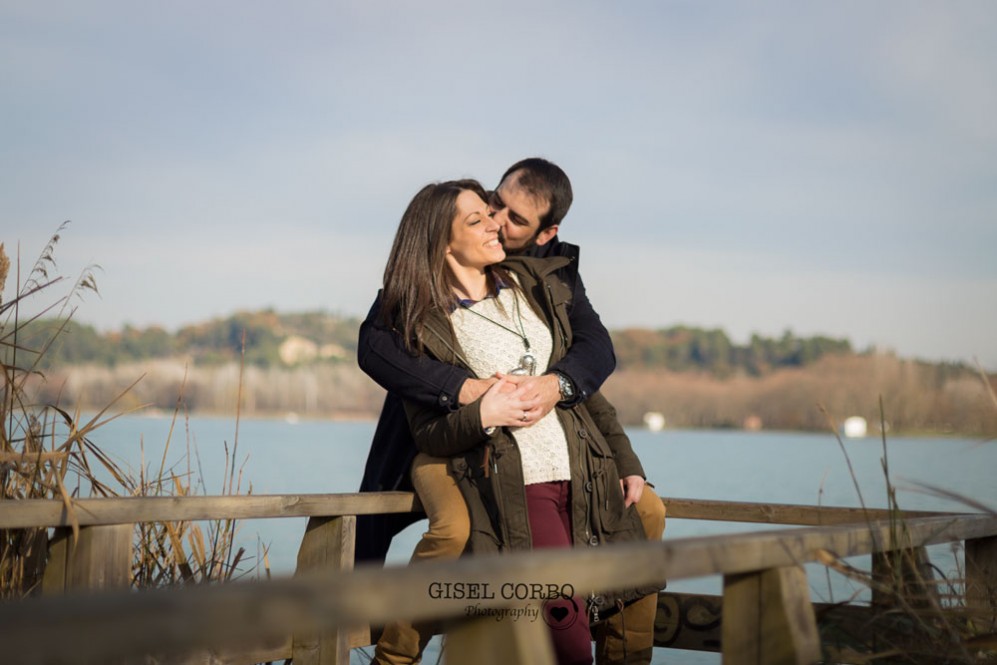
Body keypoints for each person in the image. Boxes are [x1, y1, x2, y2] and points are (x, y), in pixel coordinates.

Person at [357, 160, 666, 664]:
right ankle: (396, 655)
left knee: (642, 512)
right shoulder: (418, 307)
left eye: (511, 219)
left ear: (547, 232)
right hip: (448, 442)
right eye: (489, 208)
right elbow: (375, 347)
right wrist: (469, 393)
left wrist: (619, 454)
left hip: (553, 457)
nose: (498, 221)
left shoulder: (541, 280)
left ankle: (622, 653)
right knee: (457, 533)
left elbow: (592, 359)